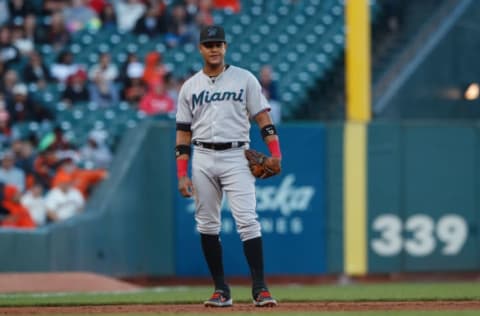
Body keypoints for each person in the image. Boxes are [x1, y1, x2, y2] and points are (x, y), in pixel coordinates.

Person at [175, 25, 282, 308]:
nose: (214, 48)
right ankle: (220, 289)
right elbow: (183, 133)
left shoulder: (244, 79)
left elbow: (262, 118)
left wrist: (276, 153)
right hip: (203, 156)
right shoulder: (190, 86)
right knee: (207, 223)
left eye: (218, 44)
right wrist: (181, 174)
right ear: (200, 48)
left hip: (237, 155)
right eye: (209, 44)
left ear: (225, 47)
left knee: (247, 220)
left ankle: (260, 288)